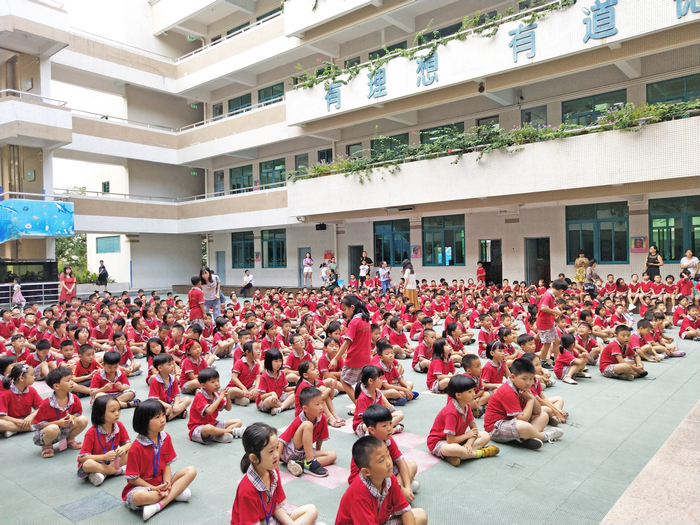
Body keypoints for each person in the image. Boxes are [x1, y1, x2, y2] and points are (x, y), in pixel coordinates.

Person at [121, 400, 197, 521]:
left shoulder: (165, 437)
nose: (163, 419)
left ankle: (158, 505)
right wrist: (154, 488)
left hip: (161, 481)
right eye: (157, 417)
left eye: (163, 415)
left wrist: (166, 483)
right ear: (144, 421)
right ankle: (175, 494)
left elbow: (166, 464)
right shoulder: (136, 447)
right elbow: (133, 479)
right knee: (139, 497)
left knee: (191, 470)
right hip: (143, 486)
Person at [231, 423, 319, 525]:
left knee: (312, 510)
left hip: (271, 518)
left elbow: (276, 506)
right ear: (254, 458)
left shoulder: (273, 472)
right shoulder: (247, 490)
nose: (276, 455)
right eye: (271, 451)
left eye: (277, 447)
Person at [336, 436, 428, 525]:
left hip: (378, 521)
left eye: (388, 455)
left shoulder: (390, 479)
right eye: (381, 461)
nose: (389, 462)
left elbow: (404, 510)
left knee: (420, 516)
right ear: (366, 471)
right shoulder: (359, 495)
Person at [484, 358, 563, 450]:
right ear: (513, 377)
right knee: (523, 426)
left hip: (513, 422)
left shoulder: (522, 388)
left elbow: (537, 411)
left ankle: (527, 437)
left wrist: (532, 398)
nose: (528, 382)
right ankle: (544, 436)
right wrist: (530, 400)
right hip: (496, 429)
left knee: (544, 414)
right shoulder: (508, 392)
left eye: (531, 378)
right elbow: (523, 420)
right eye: (524, 378)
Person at [427, 375, 500, 466]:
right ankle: (479, 453)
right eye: (469, 391)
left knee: (485, 435)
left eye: (473, 390)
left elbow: (474, 430)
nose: (474, 394)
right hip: (440, 442)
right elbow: (450, 440)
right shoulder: (451, 413)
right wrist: (467, 435)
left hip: (458, 439)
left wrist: (469, 443)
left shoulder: (467, 406)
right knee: (455, 448)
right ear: (458, 395)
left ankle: (457, 455)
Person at [278, 386, 336, 478]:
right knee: (308, 424)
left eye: (322, 403)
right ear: (305, 408)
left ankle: (301, 464)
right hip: (292, 451)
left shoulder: (322, 418)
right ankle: (310, 463)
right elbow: (281, 440)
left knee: (332, 455)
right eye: (317, 404)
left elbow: (320, 438)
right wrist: (275, 465)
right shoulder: (299, 419)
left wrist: (317, 452)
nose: (321, 407)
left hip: (304, 453)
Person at [32, 367, 89, 458]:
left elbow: (77, 414)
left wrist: (72, 417)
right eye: (68, 380)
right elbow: (38, 425)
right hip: (49, 432)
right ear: (56, 386)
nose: (72, 382)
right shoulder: (46, 403)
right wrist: (57, 423)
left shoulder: (74, 398)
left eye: (72, 379)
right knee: (53, 428)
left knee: (83, 419)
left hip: (65, 430)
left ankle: (69, 440)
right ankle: (47, 446)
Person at [77, 396, 132, 486]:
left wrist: (123, 448)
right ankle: (118, 471)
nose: (117, 413)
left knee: (132, 451)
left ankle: (103, 473)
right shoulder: (91, 432)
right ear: (101, 414)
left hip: (112, 460)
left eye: (118, 410)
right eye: (113, 411)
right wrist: (104, 457)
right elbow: (82, 458)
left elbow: (128, 443)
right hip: (98, 461)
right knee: (87, 464)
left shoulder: (119, 425)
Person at [0, 363, 41, 437]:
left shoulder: (31, 390)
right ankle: (30, 428)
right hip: (11, 421)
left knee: (47, 413)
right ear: (21, 378)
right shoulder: (5, 394)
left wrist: (30, 417)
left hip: (27, 420)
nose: (34, 377)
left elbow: (41, 407)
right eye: (32, 375)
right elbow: (2, 416)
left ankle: (13, 430)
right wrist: (19, 422)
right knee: (1, 423)